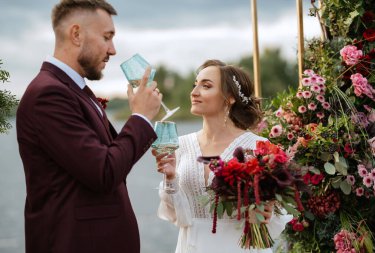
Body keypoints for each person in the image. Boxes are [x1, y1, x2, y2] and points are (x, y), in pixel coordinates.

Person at [16, 1, 161, 252]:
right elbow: (104, 172)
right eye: (107, 37)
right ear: (76, 34)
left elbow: (111, 165)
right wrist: (140, 118)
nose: (113, 50)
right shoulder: (48, 95)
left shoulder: (74, 90)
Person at [152, 60, 291, 253]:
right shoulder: (181, 145)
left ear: (230, 97)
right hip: (192, 246)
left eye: (206, 86)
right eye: (195, 85)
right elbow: (179, 216)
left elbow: (275, 215)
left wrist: (267, 210)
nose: (194, 92)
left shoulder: (258, 147)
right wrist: (170, 178)